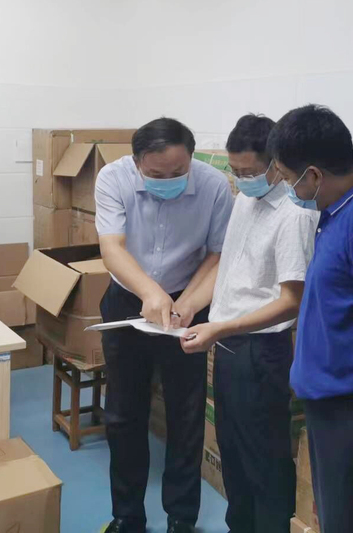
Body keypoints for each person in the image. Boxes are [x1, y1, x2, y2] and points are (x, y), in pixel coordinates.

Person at [266, 104, 353, 533]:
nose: (288, 187)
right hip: (332, 408)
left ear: (313, 175)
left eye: (287, 177)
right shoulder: (337, 214)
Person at [95, 117, 235, 533]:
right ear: (137, 162)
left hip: (188, 302)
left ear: (191, 158)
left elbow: (218, 254)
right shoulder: (113, 178)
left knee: (186, 415)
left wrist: (188, 302)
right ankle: (127, 516)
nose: (169, 180)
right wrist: (149, 293)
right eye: (157, 174)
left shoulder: (213, 186)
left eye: (179, 171)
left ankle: (181, 517)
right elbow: (112, 248)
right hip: (129, 300)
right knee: (124, 413)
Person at [179, 114, 317, 533]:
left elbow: (292, 302)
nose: (241, 180)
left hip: (259, 351)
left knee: (264, 461)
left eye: (250, 172)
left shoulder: (294, 214)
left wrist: (221, 328)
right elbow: (230, 269)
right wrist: (190, 305)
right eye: (235, 172)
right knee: (234, 454)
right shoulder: (243, 200)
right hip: (228, 345)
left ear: (276, 164)